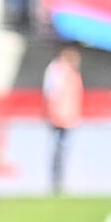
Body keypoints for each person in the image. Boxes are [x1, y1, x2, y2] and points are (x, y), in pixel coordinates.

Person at [42, 46, 83, 194]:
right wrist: (53, 114)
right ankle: (56, 182)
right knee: (58, 150)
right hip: (59, 117)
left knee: (63, 150)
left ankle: (60, 181)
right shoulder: (58, 71)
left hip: (69, 117)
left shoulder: (71, 73)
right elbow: (52, 93)